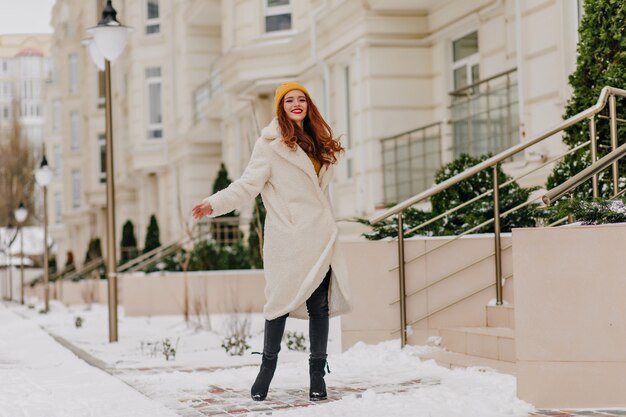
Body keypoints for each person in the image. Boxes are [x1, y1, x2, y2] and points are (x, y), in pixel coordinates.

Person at [191, 82, 352, 402]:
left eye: (301, 99)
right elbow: (247, 185)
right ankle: (266, 370)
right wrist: (215, 204)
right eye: (289, 100)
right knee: (277, 304)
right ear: (281, 107)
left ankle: (317, 376)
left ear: (308, 105)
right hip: (289, 238)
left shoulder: (318, 141)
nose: (296, 104)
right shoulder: (270, 145)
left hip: (320, 235)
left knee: (318, 307)